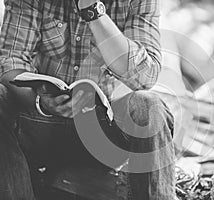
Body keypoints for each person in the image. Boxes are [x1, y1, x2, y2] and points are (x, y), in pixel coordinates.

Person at [0, 0, 175, 199]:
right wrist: (42, 102)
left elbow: (145, 77)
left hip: (102, 134)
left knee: (149, 105)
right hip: (41, 122)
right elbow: (9, 63)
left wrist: (93, 12)